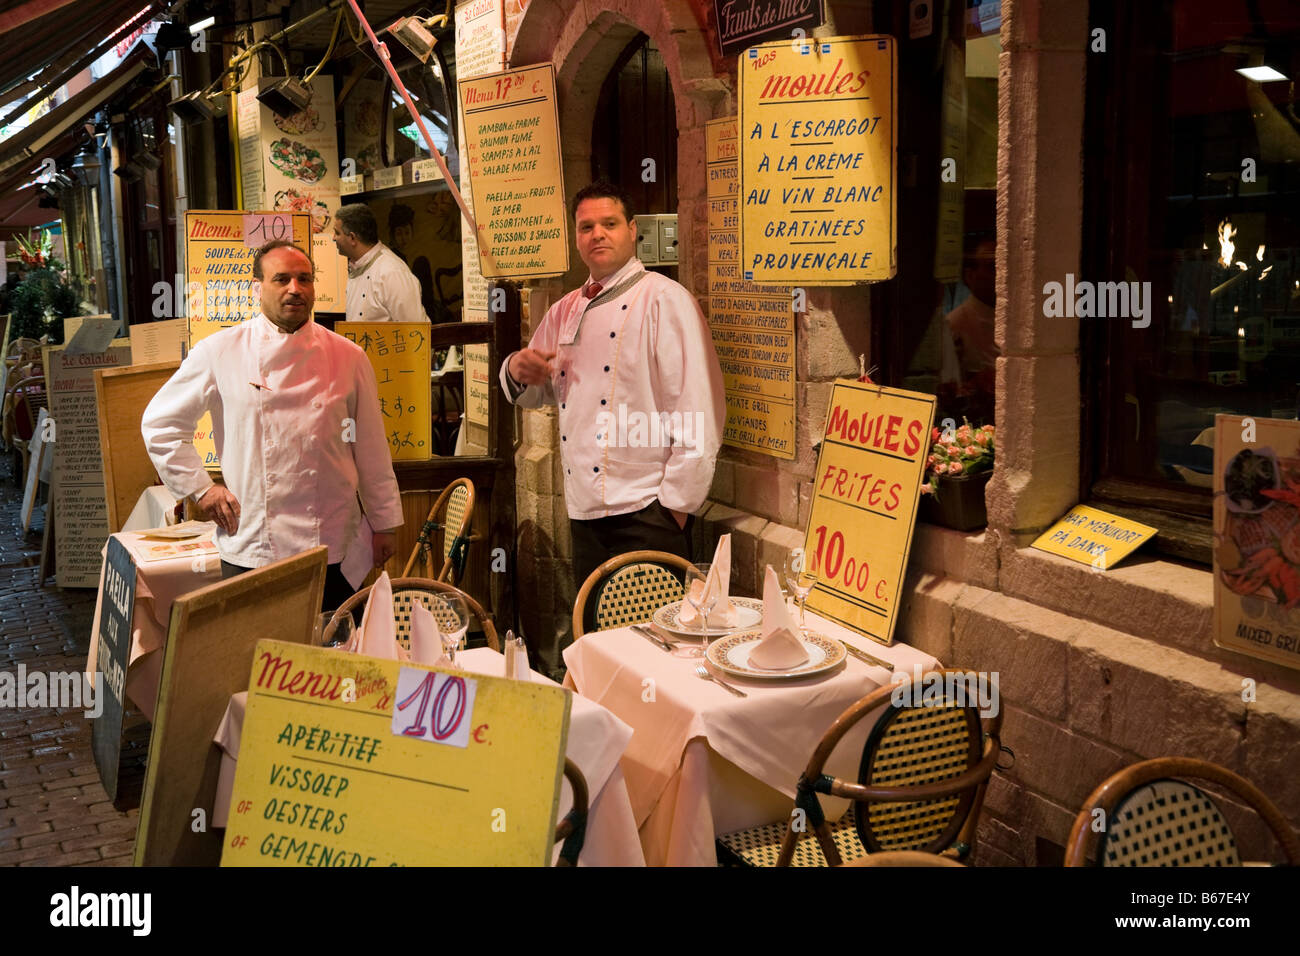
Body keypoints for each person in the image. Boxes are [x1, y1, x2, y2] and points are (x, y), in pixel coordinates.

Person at [141, 240, 404, 613]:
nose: (295, 289)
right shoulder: (219, 351)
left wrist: (385, 523)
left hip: (330, 539)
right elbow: (161, 424)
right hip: (252, 542)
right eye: (281, 279)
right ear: (257, 288)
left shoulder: (349, 357)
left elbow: (371, 450)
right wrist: (202, 490)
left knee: (332, 654)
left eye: (304, 279)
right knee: (254, 658)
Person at [500, 180, 725, 591]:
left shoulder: (664, 300)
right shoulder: (564, 310)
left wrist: (675, 507)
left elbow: (697, 408)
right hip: (584, 513)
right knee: (600, 637)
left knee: (656, 644)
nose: (597, 234)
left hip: (647, 512)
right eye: (586, 227)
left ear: (632, 229)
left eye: (609, 223)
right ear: (576, 237)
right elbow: (537, 391)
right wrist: (517, 367)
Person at [332, 203, 426, 323]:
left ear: (352, 238)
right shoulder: (357, 266)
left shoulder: (392, 272)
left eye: (337, 233)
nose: (333, 238)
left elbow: (416, 331)